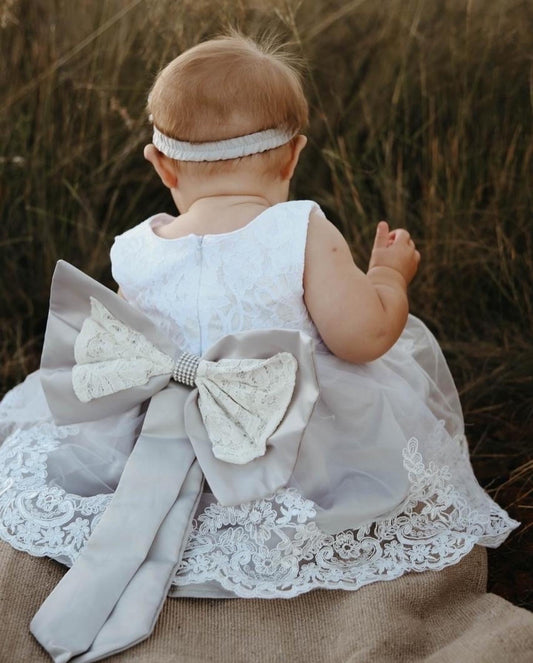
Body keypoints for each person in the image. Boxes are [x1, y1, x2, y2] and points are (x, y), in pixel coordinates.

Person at [0, 33, 521, 661]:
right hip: (283, 429)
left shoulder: (136, 246)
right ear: (293, 155)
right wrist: (387, 277)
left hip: (157, 423)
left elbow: (127, 342)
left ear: (161, 165)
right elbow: (361, 339)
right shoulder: (299, 228)